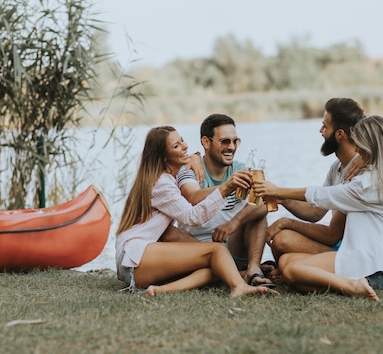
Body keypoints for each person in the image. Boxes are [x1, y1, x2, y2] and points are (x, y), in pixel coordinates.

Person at [252, 115, 383, 301]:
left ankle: (352, 285)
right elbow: (319, 207)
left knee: (291, 270)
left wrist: (279, 191)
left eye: (360, 144)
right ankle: (338, 281)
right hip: (382, 259)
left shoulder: (368, 185)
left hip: (374, 264)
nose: (357, 149)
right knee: (287, 263)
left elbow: (324, 196)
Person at [115, 126, 277, 297]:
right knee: (217, 250)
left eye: (182, 140)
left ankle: (159, 290)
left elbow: (188, 157)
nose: (184, 146)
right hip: (134, 259)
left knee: (216, 266)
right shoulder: (161, 183)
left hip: (137, 260)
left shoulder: (164, 177)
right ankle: (239, 287)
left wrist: (195, 157)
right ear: (163, 157)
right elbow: (192, 217)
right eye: (176, 146)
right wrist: (226, 188)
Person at [162, 114, 274, 287]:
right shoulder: (190, 168)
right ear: (206, 142)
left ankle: (253, 269)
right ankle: (236, 273)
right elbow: (192, 197)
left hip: (233, 244)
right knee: (167, 233)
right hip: (199, 250)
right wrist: (228, 186)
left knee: (257, 213)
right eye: (225, 141)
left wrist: (234, 223)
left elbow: (265, 201)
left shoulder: (240, 169)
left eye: (235, 141)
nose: (231, 147)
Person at [267, 98, 365, 267]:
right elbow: (316, 212)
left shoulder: (357, 173)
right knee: (281, 241)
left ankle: (302, 268)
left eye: (325, 126)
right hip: (336, 244)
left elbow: (332, 235)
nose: (321, 131)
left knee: (283, 240)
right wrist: (282, 199)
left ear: (340, 134)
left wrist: (286, 221)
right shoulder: (337, 168)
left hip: (349, 249)